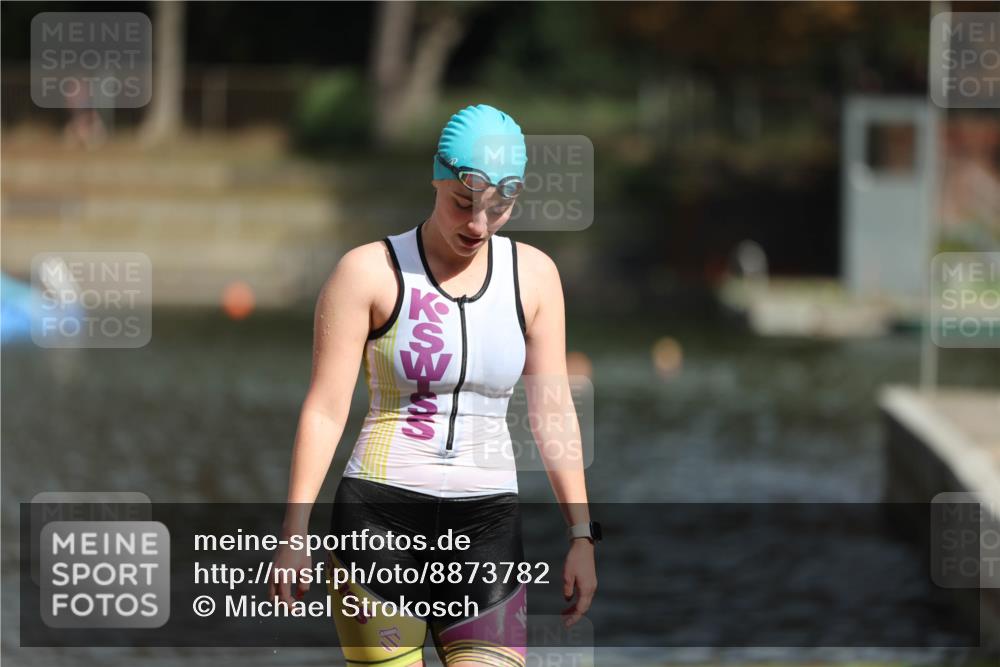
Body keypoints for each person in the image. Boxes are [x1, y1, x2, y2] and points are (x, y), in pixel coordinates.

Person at [269, 104, 598, 667]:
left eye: (498, 209)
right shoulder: (368, 272)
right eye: (463, 203)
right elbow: (325, 409)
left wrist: (582, 534)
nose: (478, 225)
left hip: (487, 526)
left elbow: (554, 411)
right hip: (379, 519)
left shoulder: (535, 277)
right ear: (437, 178)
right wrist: (294, 531)